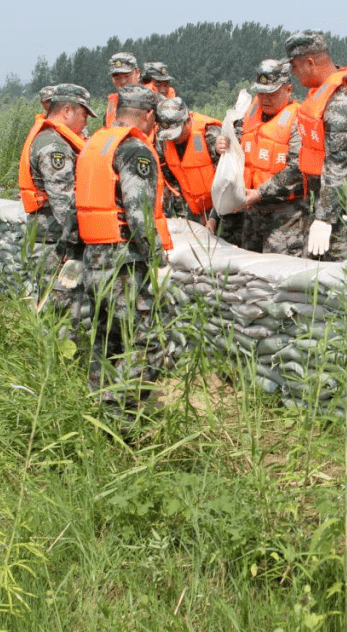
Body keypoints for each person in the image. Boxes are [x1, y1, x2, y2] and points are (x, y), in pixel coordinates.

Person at [74, 84, 173, 425]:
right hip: (124, 264)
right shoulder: (134, 150)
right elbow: (139, 212)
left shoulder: (95, 145)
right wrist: (157, 260)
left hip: (95, 259)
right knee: (150, 344)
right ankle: (121, 420)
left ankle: (97, 410)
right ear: (148, 116)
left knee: (107, 340)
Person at [289, 30, 347, 260]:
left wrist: (324, 218)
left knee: (339, 280)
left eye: (294, 66)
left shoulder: (342, 101)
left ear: (309, 62)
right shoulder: (322, 95)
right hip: (332, 204)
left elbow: (338, 165)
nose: (293, 73)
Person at [18, 83, 96, 295]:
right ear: (67, 110)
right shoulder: (54, 146)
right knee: (58, 301)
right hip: (53, 237)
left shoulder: (53, 138)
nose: (85, 122)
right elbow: (62, 201)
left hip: (51, 234)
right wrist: (81, 237)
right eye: (84, 114)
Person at [227, 58, 307, 254]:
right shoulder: (249, 113)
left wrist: (260, 193)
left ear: (288, 90)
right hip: (252, 212)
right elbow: (235, 147)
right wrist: (223, 145)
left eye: (272, 93)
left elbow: (296, 168)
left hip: (285, 215)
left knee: (280, 272)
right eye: (261, 93)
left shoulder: (299, 119)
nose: (265, 99)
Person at [153, 97, 223, 226]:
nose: (174, 139)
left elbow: (227, 181)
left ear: (188, 120)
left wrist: (213, 217)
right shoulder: (164, 140)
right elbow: (171, 179)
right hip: (193, 210)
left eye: (177, 133)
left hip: (222, 211)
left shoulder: (211, 134)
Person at [105, 53, 140, 128]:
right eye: (117, 78)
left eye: (127, 76)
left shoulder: (153, 101)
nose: (123, 82)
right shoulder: (112, 105)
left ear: (137, 73)